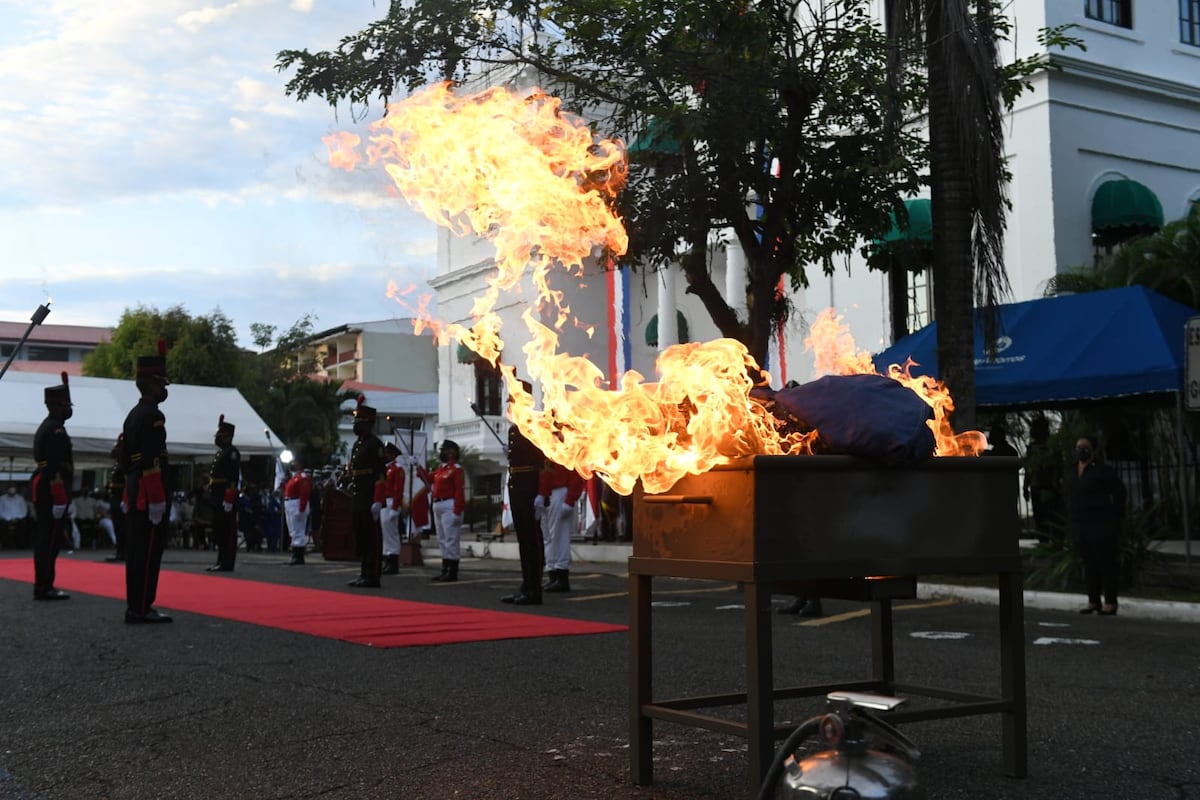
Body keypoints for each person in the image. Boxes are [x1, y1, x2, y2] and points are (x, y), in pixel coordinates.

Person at [122, 340, 173, 624]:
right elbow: (153, 460)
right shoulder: (153, 415)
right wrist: (157, 499)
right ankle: (141, 607)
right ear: (153, 383)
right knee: (148, 553)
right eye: (163, 383)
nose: (165, 389)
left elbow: (124, 456)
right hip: (147, 493)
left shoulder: (133, 414)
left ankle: (136, 605)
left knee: (137, 552)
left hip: (135, 488)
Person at [1064, 434, 1126, 616]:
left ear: (1092, 450)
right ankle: (1093, 601)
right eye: (1078, 447)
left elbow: (1119, 493)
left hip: (1101, 524)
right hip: (1080, 524)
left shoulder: (1103, 471)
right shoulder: (1072, 470)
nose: (1081, 450)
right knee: (1089, 563)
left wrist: (1114, 517)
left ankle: (1110, 602)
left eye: (1085, 447)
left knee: (1106, 563)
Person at [30, 371, 74, 601]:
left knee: (47, 537)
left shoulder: (48, 426)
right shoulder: (55, 429)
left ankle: (44, 584)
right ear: (56, 406)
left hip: (45, 486)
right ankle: (44, 585)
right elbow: (54, 466)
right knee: (50, 539)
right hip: (51, 488)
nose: (68, 409)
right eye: (65, 404)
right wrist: (59, 496)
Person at [501, 382, 546, 605]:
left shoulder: (535, 425)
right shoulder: (514, 428)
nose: (510, 404)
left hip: (530, 485)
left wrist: (541, 493)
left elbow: (546, 463)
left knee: (532, 540)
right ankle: (526, 585)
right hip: (517, 485)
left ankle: (534, 589)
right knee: (522, 539)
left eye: (513, 399)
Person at [347, 396, 387, 588]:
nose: (356, 425)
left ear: (368, 423)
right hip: (358, 493)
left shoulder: (375, 444)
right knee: (361, 534)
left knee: (372, 537)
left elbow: (380, 474)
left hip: (369, 494)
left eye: (359, 421)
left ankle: (373, 574)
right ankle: (364, 572)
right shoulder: (358, 444)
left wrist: (378, 500)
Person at [539, 459, 585, 593]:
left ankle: (561, 574)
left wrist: (570, 499)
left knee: (559, 537)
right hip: (546, 494)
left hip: (559, 492)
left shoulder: (565, 447)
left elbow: (576, 474)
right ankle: (552, 572)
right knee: (548, 538)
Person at [423, 439, 465, 583]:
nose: (443, 452)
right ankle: (445, 569)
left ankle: (452, 570)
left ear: (453, 452)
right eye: (443, 449)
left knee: (451, 539)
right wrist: (417, 466)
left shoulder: (456, 469)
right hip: (438, 505)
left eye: (446, 450)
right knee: (442, 539)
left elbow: (459, 491)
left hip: (449, 505)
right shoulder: (441, 469)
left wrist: (457, 511)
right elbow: (427, 478)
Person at [206, 415, 241, 572]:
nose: (218, 438)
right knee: (219, 529)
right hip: (217, 494)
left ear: (228, 436)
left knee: (228, 530)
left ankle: (227, 562)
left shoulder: (232, 453)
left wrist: (229, 497)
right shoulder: (222, 452)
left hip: (226, 495)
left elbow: (233, 478)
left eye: (221, 435)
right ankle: (220, 559)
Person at [1024, 416, 1063, 542]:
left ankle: (1051, 541)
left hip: (1049, 485)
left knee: (1049, 516)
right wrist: (1026, 486)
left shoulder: (1051, 446)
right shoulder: (1033, 447)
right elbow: (1028, 469)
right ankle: (1045, 541)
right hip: (1040, 485)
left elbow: (1058, 466)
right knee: (1041, 516)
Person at [380, 443, 405, 575]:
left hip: (391, 502)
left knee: (392, 534)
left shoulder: (397, 469)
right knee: (386, 534)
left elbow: (398, 489)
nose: (386, 455)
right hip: (384, 501)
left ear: (394, 455)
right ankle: (387, 559)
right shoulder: (386, 469)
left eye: (388, 453)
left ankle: (393, 561)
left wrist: (395, 507)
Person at [283, 460, 312, 565]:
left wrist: (302, 508)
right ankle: (295, 554)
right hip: (291, 503)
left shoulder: (303, 477)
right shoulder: (294, 477)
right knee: (293, 530)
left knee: (298, 530)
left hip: (297, 504)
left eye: (295, 463)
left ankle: (298, 556)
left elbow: (304, 493)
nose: (293, 464)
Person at [103, 435, 127, 562]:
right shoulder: (119, 465)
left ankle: (122, 551)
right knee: (118, 526)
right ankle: (120, 550)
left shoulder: (124, 465)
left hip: (120, 498)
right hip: (116, 498)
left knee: (121, 526)